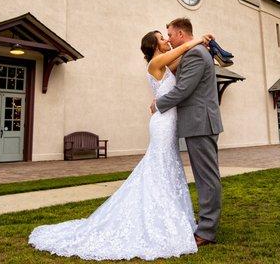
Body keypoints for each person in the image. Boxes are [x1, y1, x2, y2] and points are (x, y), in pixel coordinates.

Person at [28, 29, 212, 261]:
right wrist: (198, 39)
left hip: (169, 120)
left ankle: (169, 214)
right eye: (162, 38)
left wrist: (203, 46)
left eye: (167, 36)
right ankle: (158, 216)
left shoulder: (166, 65)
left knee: (169, 165)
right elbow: (184, 48)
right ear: (154, 46)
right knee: (160, 164)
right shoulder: (155, 63)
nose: (167, 40)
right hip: (163, 123)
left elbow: (184, 61)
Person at [150, 17, 223, 247]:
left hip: (200, 123)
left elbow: (183, 90)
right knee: (205, 176)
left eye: (170, 34)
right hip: (199, 122)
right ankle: (206, 224)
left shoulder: (195, 54)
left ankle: (207, 231)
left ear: (181, 34)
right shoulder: (195, 52)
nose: (169, 39)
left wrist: (157, 105)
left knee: (206, 177)